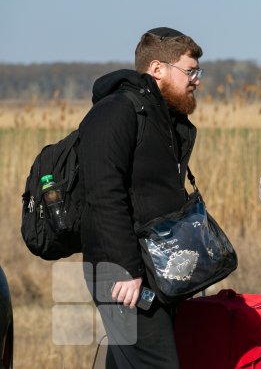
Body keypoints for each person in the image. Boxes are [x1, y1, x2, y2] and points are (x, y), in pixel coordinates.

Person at [78, 27, 203, 368]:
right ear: (157, 69)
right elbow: (104, 194)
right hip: (122, 274)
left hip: (154, 270)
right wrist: (125, 269)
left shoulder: (165, 120)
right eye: (190, 71)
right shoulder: (116, 111)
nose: (196, 80)